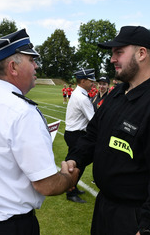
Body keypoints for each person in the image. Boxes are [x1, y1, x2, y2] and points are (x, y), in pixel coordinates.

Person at [66, 26, 150, 234]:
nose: (112, 59)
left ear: (141, 54)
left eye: (119, 52)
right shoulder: (118, 93)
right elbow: (93, 134)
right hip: (106, 207)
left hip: (136, 218)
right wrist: (75, 159)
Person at [0, 29, 79, 235]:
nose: (36, 66)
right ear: (13, 67)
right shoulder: (21, 112)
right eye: (31, 60)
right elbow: (46, 185)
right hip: (8, 226)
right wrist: (69, 178)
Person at [64, 68, 95, 203]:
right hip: (77, 134)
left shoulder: (78, 93)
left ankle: (73, 187)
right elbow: (93, 119)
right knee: (76, 164)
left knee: (79, 162)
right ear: (83, 81)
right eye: (90, 81)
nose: (93, 84)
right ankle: (70, 192)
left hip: (73, 133)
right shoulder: (82, 98)